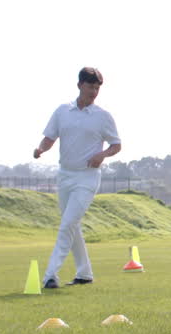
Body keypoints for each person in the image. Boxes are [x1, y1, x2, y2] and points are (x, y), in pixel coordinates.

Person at [32, 67, 122, 289]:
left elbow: (116, 145)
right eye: (90, 86)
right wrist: (41, 149)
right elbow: (49, 137)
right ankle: (85, 273)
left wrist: (103, 154)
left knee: (67, 225)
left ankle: (50, 275)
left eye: (97, 88)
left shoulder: (103, 117)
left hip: (87, 178)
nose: (94, 91)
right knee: (72, 226)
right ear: (80, 85)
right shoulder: (62, 111)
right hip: (65, 176)